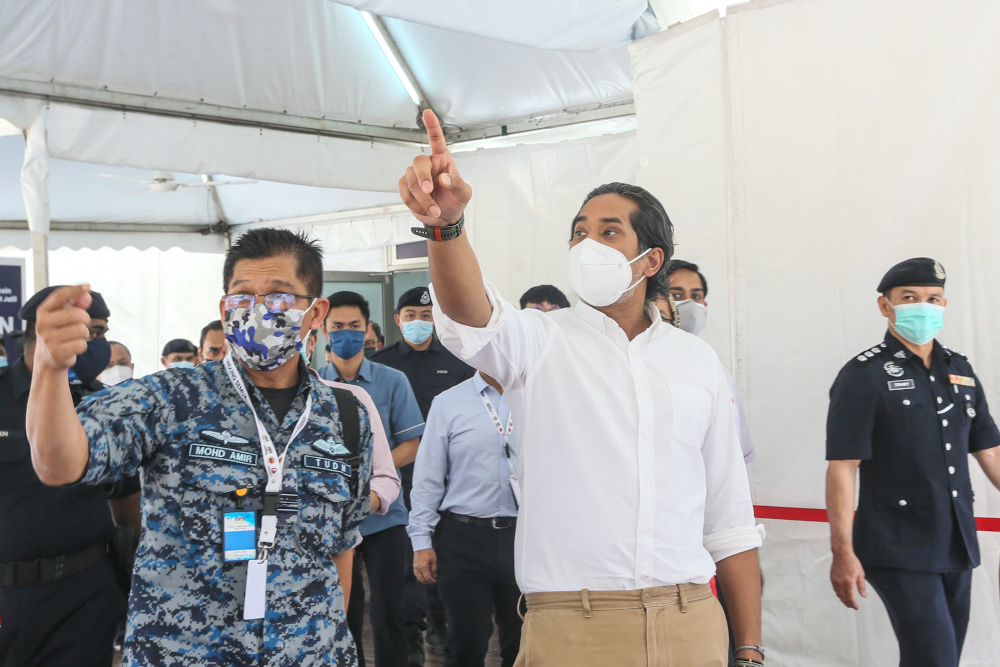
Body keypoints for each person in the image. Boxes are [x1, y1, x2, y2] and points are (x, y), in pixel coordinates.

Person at [398, 109, 763, 667]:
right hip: (575, 624)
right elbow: (472, 316)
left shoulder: (697, 363)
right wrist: (446, 227)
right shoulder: (541, 341)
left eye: (609, 231)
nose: (587, 242)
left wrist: (751, 649)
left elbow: (730, 519)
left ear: (651, 260)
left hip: (690, 620)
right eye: (579, 232)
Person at [23, 228, 401, 666]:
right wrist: (49, 369)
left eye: (278, 297)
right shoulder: (172, 397)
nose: (258, 311)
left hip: (308, 654)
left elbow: (340, 547)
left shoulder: (345, 414)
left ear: (316, 313)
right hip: (186, 654)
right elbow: (58, 464)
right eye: (243, 297)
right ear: (225, 310)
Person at [826, 257, 1000, 667]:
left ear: (944, 304)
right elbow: (842, 467)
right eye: (910, 297)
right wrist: (842, 552)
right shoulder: (863, 375)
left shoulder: (959, 370)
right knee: (935, 659)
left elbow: (989, 450)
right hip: (898, 544)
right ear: (885, 306)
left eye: (933, 298)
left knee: (943, 659)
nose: (924, 306)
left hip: (956, 540)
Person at [0, 287, 140, 667]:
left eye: (100, 332)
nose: (97, 344)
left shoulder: (108, 405)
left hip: (82, 597)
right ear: (41, 331)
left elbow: (129, 508)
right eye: (90, 332)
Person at [320, 291, 425, 667]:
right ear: (322, 329)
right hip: (331, 518)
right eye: (337, 327)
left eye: (354, 326)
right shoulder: (313, 385)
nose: (346, 334)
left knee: (389, 610)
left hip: (385, 515)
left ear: (368, 331)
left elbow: (411, 443)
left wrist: (366, 482)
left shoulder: (391, 380)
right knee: (342, 609)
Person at [372, 287, 475, 662]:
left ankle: (439, 620)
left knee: (442, 554)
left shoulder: (459, 362)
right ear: (398, 320)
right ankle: (411, 628)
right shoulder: (381, 364)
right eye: (411, 315)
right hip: (398, 476)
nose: (419, 322)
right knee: (405, 560)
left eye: (427, 315)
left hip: (449, 478)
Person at [409, 371, 522, 667]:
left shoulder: (540, 396)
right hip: (464, 539)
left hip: (524, 539)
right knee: (465, 646)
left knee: (524, 646)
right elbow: (427, 477)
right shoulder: (449, 402)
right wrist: (421, 540)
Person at [665, 260, 754, 463]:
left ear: (705, 305)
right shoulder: (638, 363)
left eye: (696, 296)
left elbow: (736, 456)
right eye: (676, 295)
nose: (689, 304)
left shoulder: (717, 370)